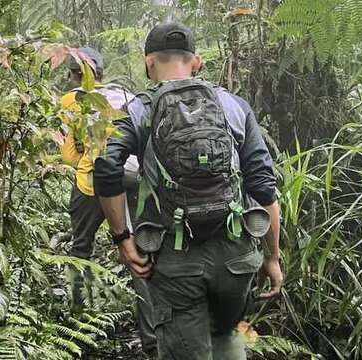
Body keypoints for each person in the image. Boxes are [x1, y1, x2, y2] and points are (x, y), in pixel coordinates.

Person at [93, 23, 283, 360]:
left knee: (185, 345)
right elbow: (263, 185)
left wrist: (123, 239)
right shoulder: (233, 106)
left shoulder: (140, 110)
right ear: (195, 62)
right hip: (235, 256)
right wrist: (271, 256)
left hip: (174, 257)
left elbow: (107, 168)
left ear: (149, 62)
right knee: (224, 335)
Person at [58, 47, 157, 356]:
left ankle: (78, 324)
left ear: (73, 75)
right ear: (101, 73)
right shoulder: (120, 96)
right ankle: (152, 338)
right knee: (138, 255)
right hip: (132, 178)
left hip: (92, 184)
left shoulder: (70, 101)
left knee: (81, 250)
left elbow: (68, 155)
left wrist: (85, 154)